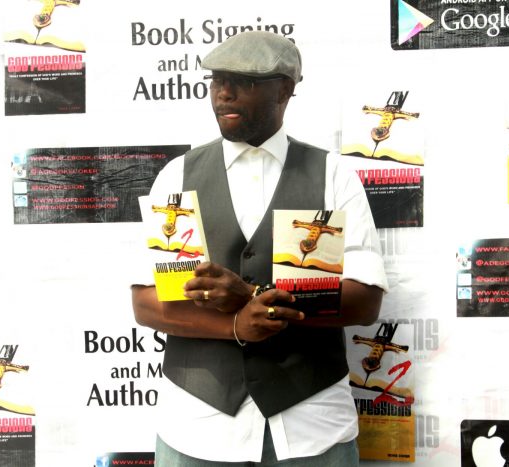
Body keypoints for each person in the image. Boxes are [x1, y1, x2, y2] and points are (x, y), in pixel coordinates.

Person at [131, 30, 388, 466]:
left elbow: (364, 300)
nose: (224, 93)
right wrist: (236, 325)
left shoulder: (332, 175)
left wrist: (252, 296)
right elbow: (149, 304)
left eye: (243, 82)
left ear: (284, 90)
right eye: (217, 80)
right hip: (199, 428)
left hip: (310, 428)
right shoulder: (177, 176)